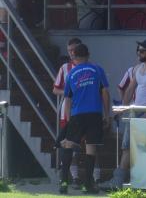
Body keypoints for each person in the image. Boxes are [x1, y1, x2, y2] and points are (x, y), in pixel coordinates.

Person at [100, 39, 146, 191]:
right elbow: (130, 89)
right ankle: (118, 182)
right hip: (135, 112)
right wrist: (123, 109)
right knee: (127, 147)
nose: (139, 53)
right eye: (138, 50)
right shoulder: (137, 68)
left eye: (142, 50)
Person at [59, 43, 110, 195]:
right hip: (94, 113)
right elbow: (105, 92)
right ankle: (87, 185)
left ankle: (63, 183)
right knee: (91, 146)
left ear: (74, 57)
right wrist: (107, 114)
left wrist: (68, 118)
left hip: (77, 114)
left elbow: (67, 98)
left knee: (68, 145)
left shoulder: (71, 74)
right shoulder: (97, 69)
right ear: (88, 55)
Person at [53, 38, 100, 187]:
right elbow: (55, 89)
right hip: (68, 112)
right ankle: (73, 177)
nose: (72, 54)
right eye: (69, 51)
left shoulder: (93, 68)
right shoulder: (65, 68)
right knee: (69, 145)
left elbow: (101, 90)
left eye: (74, 51)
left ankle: (94, 178)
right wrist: (72, 91)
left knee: (91, 144)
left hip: (87, 111)